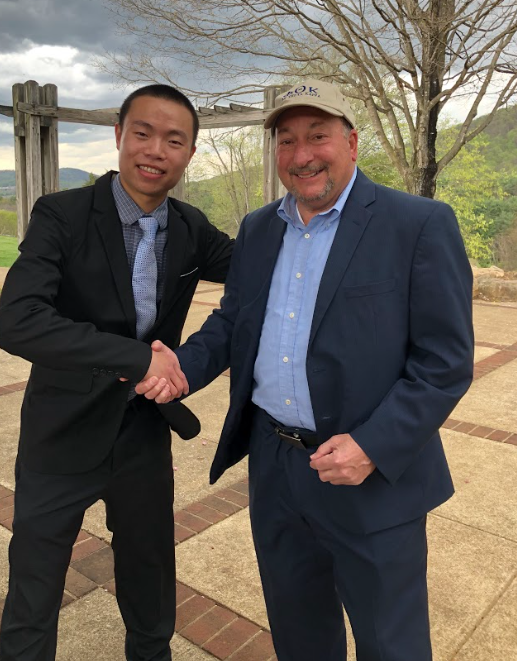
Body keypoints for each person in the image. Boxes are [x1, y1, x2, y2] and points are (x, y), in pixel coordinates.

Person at [141, 79, 474, 661]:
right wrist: (183, 367)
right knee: (300, 639)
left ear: (349, 141)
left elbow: (444, 362)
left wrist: (373, 445)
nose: (302, 155)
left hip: (369, 477)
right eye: (287, 140)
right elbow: (234, 320)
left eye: (317, 136)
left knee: (390, 645)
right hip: (277, 468)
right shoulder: (259, 228)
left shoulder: (417, 224)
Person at [0, 84, 233, 661]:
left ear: (190, 152)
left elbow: (266, 268)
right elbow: (19, 321)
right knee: (35, 587)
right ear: (119, 137)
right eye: (143, 133)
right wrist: (137, 359)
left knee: (150, 583)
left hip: (141, 435)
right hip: (62, 431)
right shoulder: (64, 214)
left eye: (174, 140)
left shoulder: (190, 226)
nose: (156, 150)